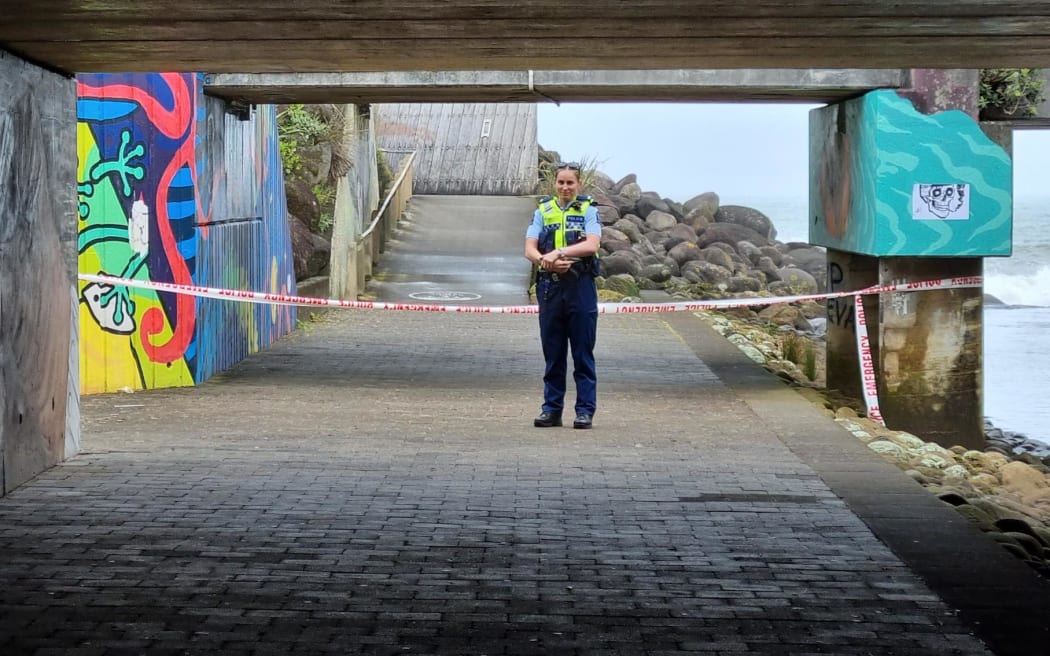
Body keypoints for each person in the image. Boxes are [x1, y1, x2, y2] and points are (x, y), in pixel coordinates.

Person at [524, 162, 602, 429]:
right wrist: (546, 262)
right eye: (561, 182)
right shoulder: (542, 212)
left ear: (578, 185)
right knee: (553, 353)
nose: (566, 187)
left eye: (570, 183)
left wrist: (560, 253)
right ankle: (552, 409)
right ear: (555, 184)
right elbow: (530, 250)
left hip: (580, 289)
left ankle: (584, 411)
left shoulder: (589, 211)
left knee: (582, 353)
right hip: (551, 289)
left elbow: (591, 245)